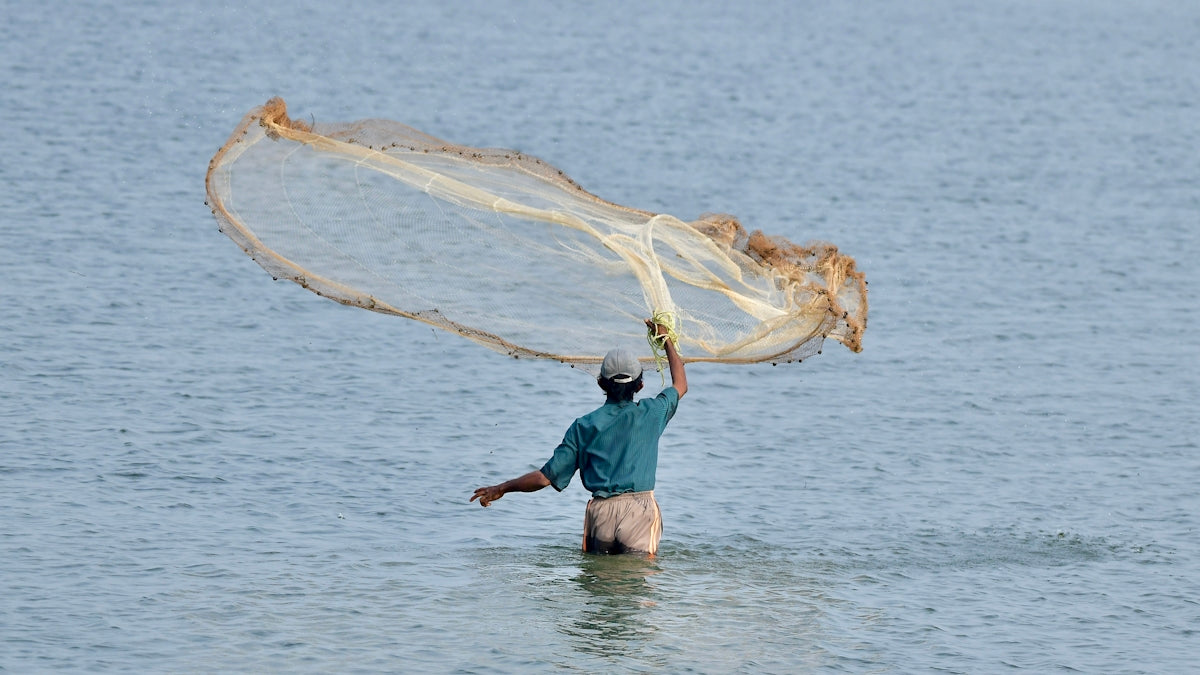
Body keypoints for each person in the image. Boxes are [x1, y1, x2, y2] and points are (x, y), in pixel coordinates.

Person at [470, 318, 688, 556]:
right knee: (635, 583)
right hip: (639, 509)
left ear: (601, 383)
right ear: (640, 386)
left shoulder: (583, 426)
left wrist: (502, 488)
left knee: (598, 586)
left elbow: (544, 478)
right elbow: (681, 383)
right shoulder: (652, 412)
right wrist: (664, 338)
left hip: (600, 512)